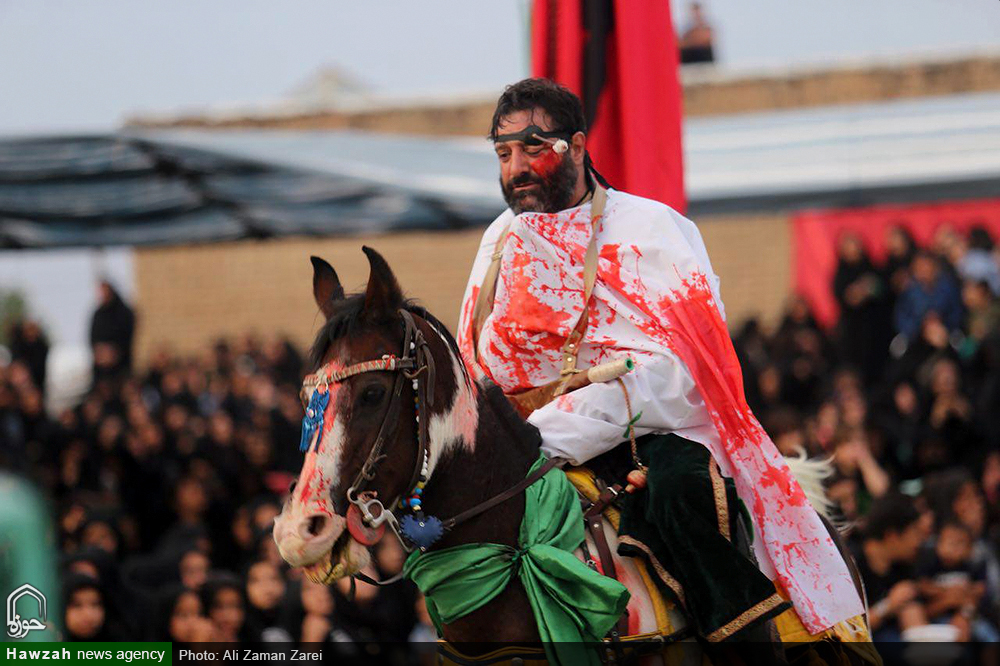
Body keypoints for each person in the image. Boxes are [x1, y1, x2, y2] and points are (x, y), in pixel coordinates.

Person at [456, 78, 866, 646]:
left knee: (681, 493)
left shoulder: (651, 229)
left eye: (532, 148)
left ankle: (749, 650)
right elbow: (478, 360)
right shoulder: (499, 240)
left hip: (653, 430)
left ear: (576, 147)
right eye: (503, 154)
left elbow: (688, 373)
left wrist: (560, 428)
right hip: (524, 443)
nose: (515, 167)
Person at [849, 493, 927, 642]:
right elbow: (848, 630)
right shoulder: (851, 563)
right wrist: (888, 606)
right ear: (892, 535)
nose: (919, 541)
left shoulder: (904, 565)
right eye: (915, 532)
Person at [90, 280, 136, 386]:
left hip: (121, 365)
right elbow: (93, 337)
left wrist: (113, 352)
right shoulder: (98, 314)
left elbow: (127, 336)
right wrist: (99, 352)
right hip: (101, 368)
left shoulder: (123, 313)